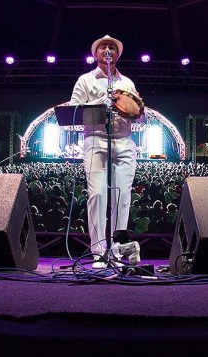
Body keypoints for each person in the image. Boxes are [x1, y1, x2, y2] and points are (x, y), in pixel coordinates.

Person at [68, 35, 143, 268]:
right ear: (95, 54)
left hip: (124, 141)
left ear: (118, 54)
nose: (108, 50)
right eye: (103, 47)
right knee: (98, 195)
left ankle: (118, 251)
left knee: (122, 198)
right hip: (96, 140)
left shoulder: (127, 82)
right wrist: (103, 100)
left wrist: (136, 108)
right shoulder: (85, 80)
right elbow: (72, 110)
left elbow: (138, 112)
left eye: (112, 47)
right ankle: (99, 253)